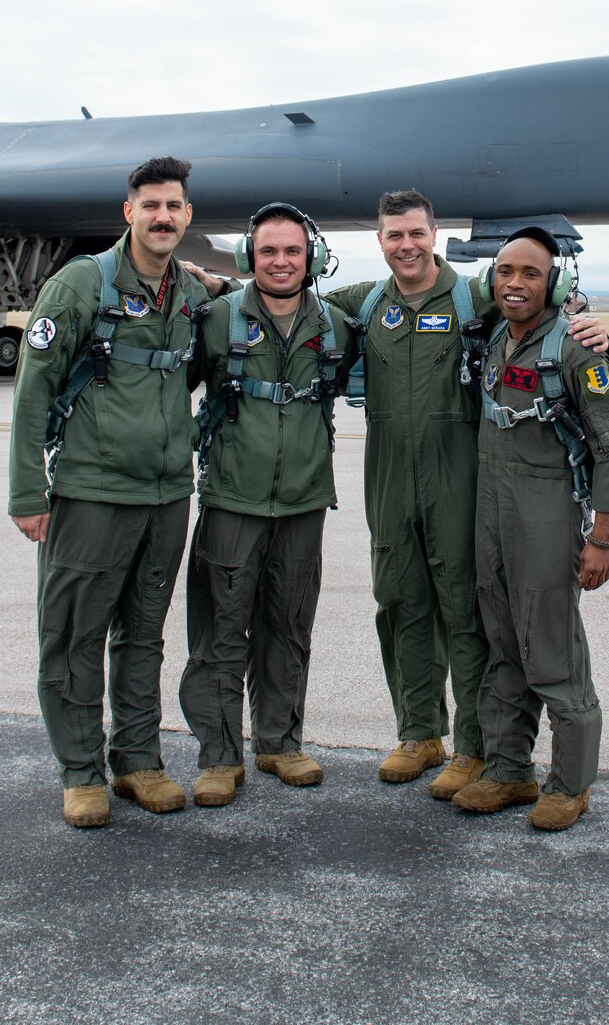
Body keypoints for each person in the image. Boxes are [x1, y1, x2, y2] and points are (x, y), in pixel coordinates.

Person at [319, 192, 609, 801]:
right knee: (397, 600)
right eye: (394, 234)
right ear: (380, 241)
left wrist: (586, 317)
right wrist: (211, 283)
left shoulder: (474, 295)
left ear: (433, 234)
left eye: (416, 233)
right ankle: (418, 732)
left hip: (461, 479)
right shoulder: (365, 302)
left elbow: (537, 299)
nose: (406, 245)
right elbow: (285, 300)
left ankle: (474, 747)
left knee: (465, 612)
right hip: (389, 474)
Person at [7, 156, 211, 829]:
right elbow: (32, 389)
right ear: (129, 212)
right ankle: (80, 770)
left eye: (174, 206)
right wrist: (27, 491)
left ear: (186, 215)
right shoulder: (79, 285)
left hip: (165, 495)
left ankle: (138, 759)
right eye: (150, 205)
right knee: (73, 635)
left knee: (144, 636)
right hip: (91, 491)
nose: (163, 216)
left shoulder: (189, 292)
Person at [450, 228, 609, 831]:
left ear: (554, 282)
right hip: (492, 510)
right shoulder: (495, 336)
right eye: (505, 272)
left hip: (548, 513)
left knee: (550, 645)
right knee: (502, 642)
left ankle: (571, 783)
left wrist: (601, 538)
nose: (515, 284)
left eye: (530, 273)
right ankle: (508, 769)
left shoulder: (578, 351)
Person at [177, 203, 349, 807]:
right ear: (252, 257)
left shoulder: (334, 326)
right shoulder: (216, 319)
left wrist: (573, 321)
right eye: (269, 251)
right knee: (221, 632)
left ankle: (279, 741)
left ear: (312, 258)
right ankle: (219, 755)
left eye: (293, 251)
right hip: (232, 501)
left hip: (303, 505)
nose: (281, 262)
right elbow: (167, 386)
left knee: (289, 627)